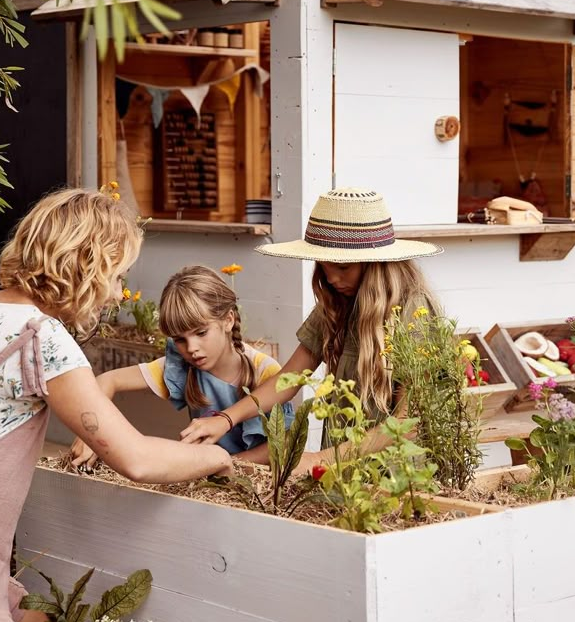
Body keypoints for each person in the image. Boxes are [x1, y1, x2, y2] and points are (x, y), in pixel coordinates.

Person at [0, 189, 233, 622]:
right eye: (116, 273)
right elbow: (138, 459)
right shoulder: (40, 339)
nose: (119, 291)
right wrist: (217, 459)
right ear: (85, 266)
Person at [179, 187, 442, 462]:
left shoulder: (414, 310)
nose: (332, 280)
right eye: (324, 267)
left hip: (400, 479)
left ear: (376, 263)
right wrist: (225, 419)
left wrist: (320, 460)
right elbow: (288, 380)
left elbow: (407, 421)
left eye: (342, 268)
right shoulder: (337, 303)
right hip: (344, 473)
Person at [71, 265, 293, 471]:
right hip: (207, 477)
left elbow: (280, 447)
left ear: (228, 320)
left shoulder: (265, 372)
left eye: (201, 333)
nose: (191, 348)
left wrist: (223, 465)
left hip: (260, 481)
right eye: (180, 339)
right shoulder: (183, 366)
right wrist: (90, 434)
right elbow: (108, 380)